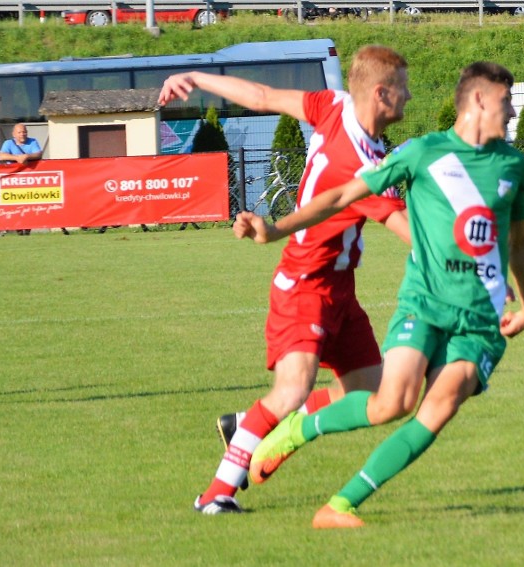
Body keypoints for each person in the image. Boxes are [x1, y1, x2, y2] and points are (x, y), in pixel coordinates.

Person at [243, 61, 524, 529]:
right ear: (480, 100)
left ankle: (339, 506)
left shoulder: (513, 164)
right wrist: (274, 229)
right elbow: (341, 197)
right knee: (391, 404)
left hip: (480, 320)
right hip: (424, 303)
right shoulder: (423, 153)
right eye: (508, 101)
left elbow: (519, 241)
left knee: (438, 408)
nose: (514, 110)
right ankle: (299, 428)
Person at [157, 44, 413, 514]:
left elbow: (260, 95)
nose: (410, 97)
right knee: (293, 389)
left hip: (340, 290)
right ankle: (217, 494)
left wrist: (196, 74)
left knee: (373, 392)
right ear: (381, 93)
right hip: (305, 283)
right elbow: (412, 235)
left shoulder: (335, 107)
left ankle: (260, 427)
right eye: (404, 88)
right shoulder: (362, 165)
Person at [1, 123, 43, 235]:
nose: (22, 134)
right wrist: (16, 158)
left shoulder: (32, 142)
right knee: (14, 205)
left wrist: (27, 157)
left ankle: (28, 229)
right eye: (19, 132)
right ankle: (18, 229)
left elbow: (38, 154)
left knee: (30, 204)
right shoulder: (8, 143)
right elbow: (1, 156)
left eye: (24, 132)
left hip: (30, 180)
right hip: (13, 181)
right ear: (14, 134)